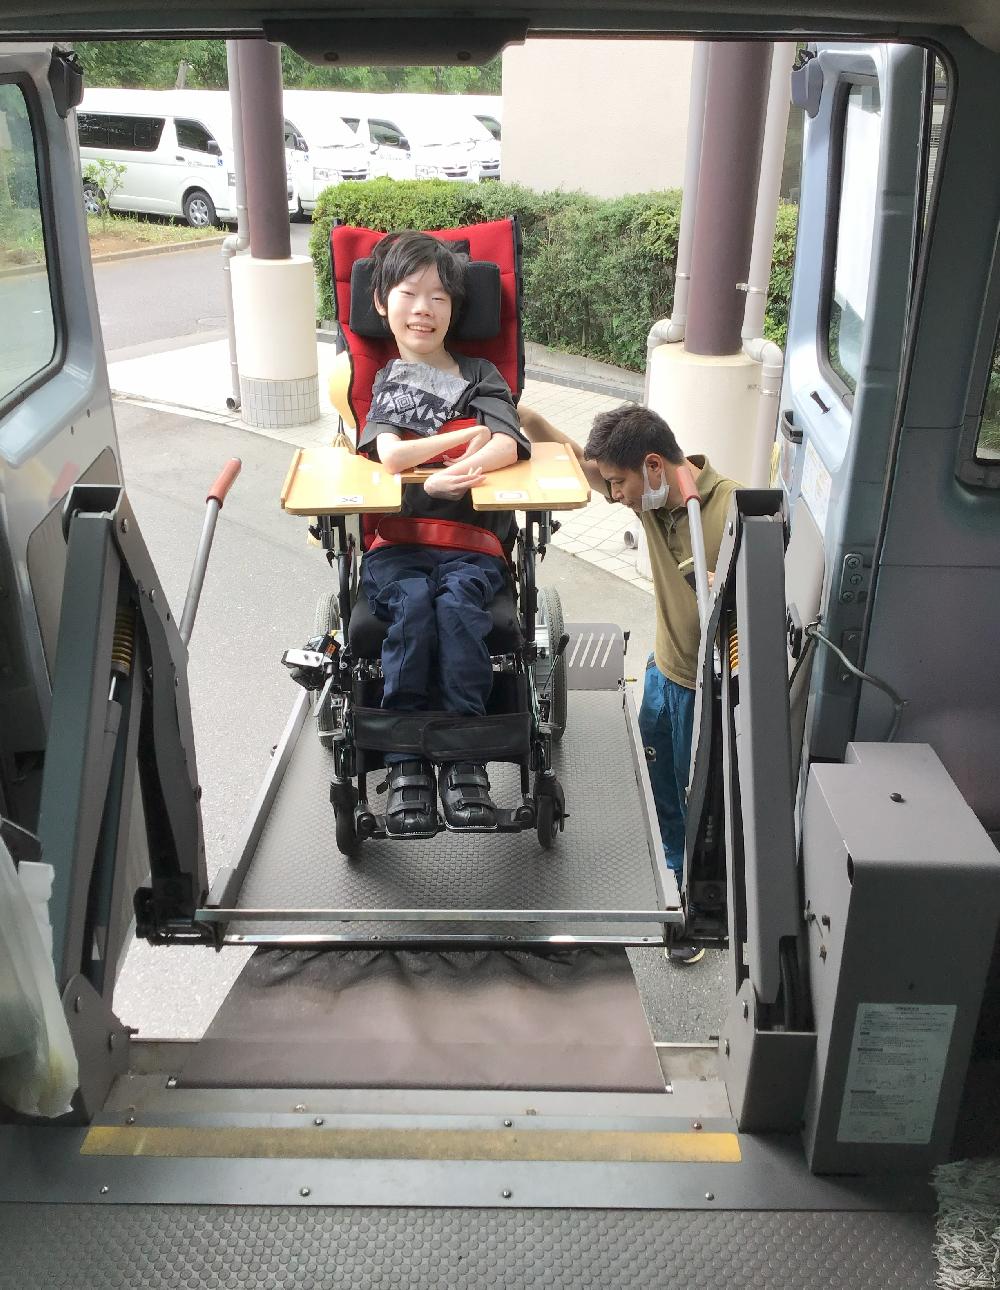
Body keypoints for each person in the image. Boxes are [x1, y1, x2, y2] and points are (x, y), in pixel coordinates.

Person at [356, 230, 531, 838]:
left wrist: (473, 463)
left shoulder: (481, 374)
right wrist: (454, 449)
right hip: (399, 544)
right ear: (381, 303)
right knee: (411, 609)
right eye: (409, 294)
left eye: (438, 297)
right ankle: (405, 760)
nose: (423, 309)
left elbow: (508, 442)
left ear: (456, 309)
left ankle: (464, 760)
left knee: (457, 610)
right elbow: (391, 456)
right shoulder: (389, 379)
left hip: (470, 547)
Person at [582, 404, 741, 966]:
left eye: (618, 483)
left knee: (700, 800)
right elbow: (580, 463)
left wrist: (729, 588)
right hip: (662, 671)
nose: (614, 496)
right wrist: (522, 413)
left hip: (705, 688)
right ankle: (672, 871)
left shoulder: (732, 510)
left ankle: (696, 899)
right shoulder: (649, 501)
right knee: (659, 785)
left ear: (653, 466)